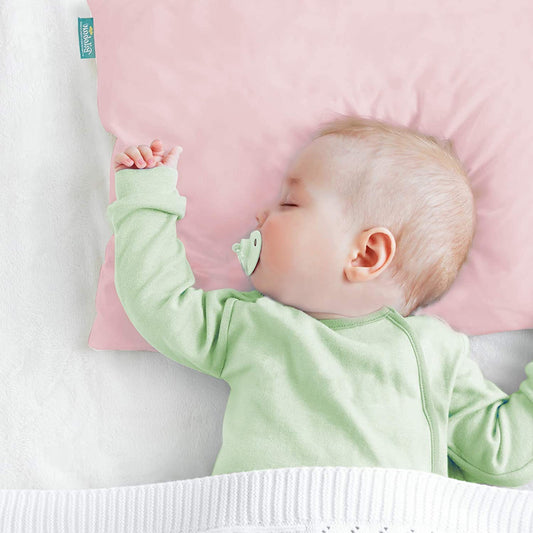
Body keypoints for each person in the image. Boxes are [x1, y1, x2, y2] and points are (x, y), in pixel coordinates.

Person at [108, 114, 533, 486]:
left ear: (365, 254)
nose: (260, 215)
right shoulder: (251, 324)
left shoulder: (431, 351)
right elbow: (159, 301)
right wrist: (146, 199)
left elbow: (501, 456)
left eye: (289, 202)